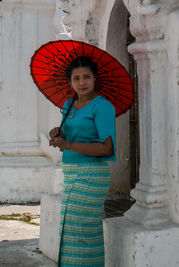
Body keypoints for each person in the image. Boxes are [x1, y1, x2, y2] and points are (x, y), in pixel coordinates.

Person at [49, 56, 116, 266]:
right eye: (76, 78)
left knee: (81, 231)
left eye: (87, 76)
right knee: (71, 233)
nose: (82, 82)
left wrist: (68, 145)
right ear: (70, 82)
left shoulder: (102, 107)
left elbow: (107, 147)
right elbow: (74, 134)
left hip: (91, 175)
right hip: (72, 174)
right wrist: (59, 133)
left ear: (95, 78)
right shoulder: (69, 105)